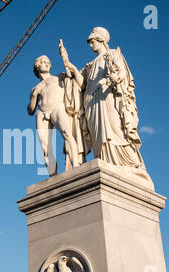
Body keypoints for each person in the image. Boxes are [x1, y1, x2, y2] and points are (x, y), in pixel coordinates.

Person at [59, 27, 153, 187]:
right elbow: (82, 85)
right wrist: (72, 68)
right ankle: (104, 161)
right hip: (91, 102)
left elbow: (122, 73)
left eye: (92, 41)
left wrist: (111, 80)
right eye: (89, 42)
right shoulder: (91, 64)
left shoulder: (113, 55)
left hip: (107, 98)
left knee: (114, 130)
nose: (90, 45)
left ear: (101, 39)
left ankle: (125, 165)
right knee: (98, 135)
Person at [27, 55, 82, 176]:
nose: (46, 64)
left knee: (67, 135)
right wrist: (35, 95)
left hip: (57, 107)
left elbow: (72, 76)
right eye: (43, 62)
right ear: (37, 66)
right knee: (45, 148)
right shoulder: (35, 88)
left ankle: (76, 165)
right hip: (41, 113)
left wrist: (64, 56)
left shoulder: (58, 77)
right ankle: (53, 175)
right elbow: (30, 110)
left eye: (48, 62)